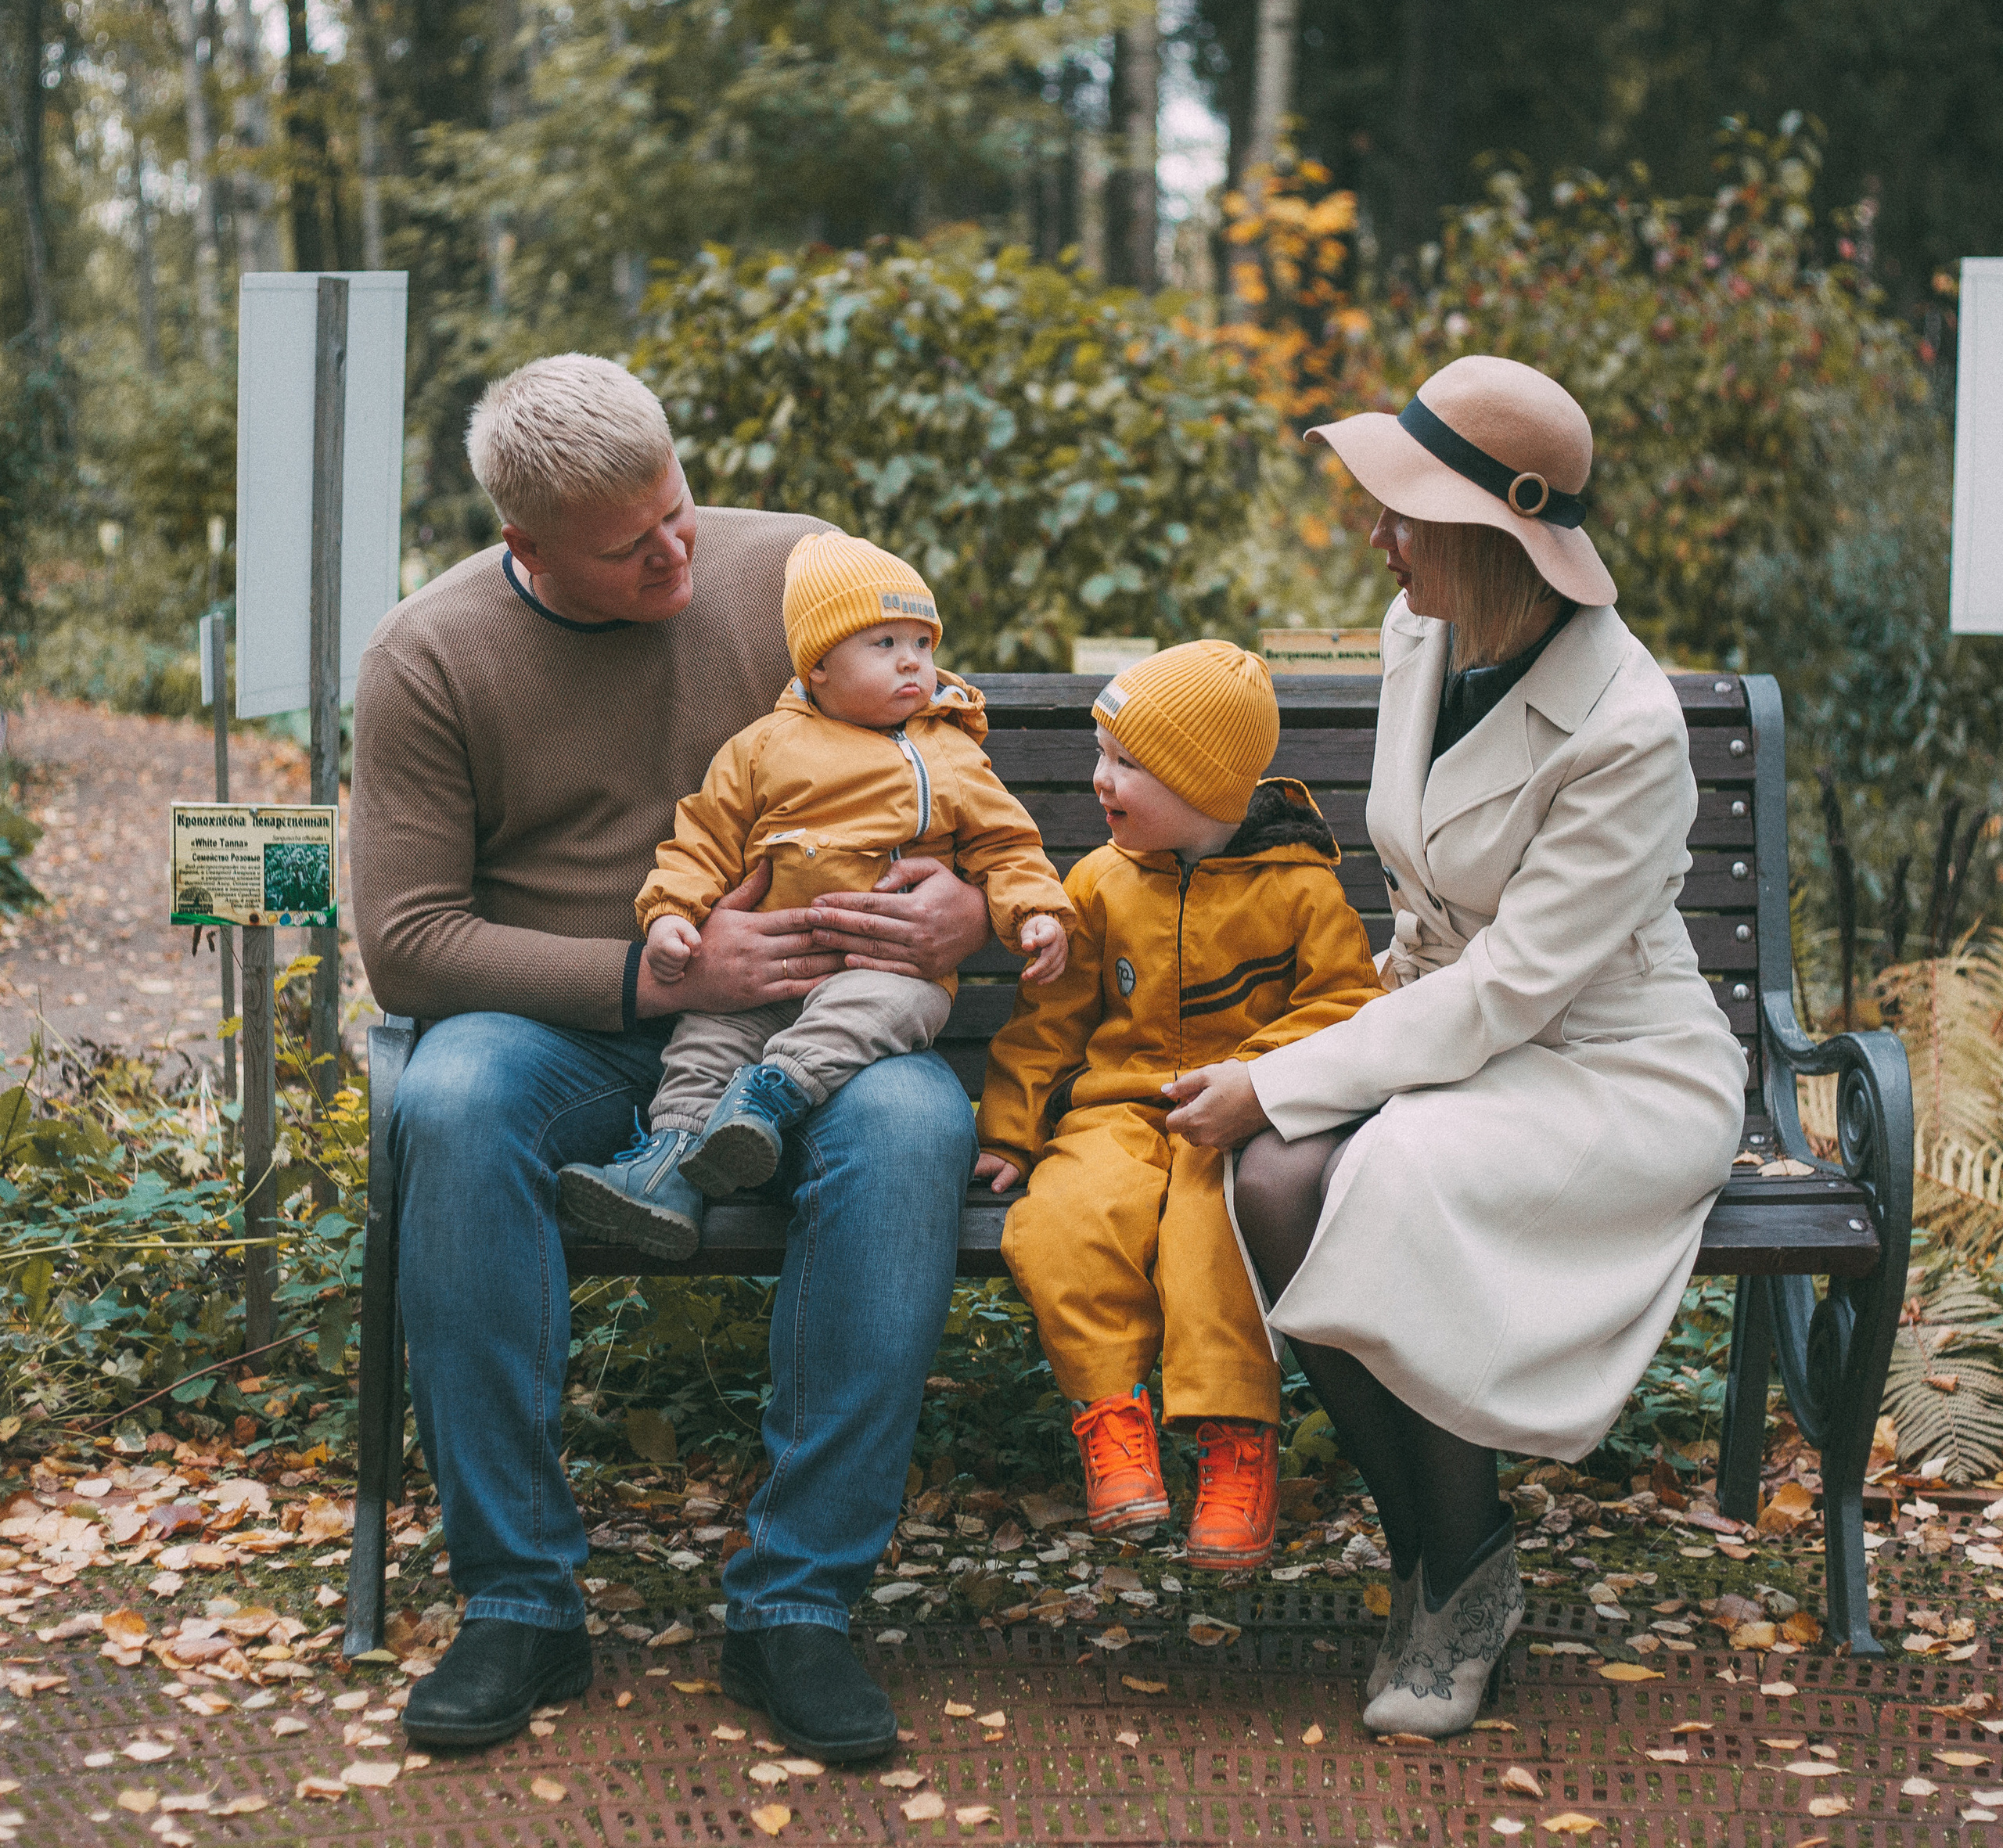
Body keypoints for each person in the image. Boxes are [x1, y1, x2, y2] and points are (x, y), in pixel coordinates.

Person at [351, 354, 992, 1762]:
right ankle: (520, 1603)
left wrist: (973, 901)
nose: (678, 552)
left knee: (913, 1129)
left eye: (680, 507)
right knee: (448, 1099)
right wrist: (643, 977)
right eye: (631, 545)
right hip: (568, 1033)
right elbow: (406, 942)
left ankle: (798, 1609)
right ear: (524, 546)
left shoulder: (794, 569)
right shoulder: (430, 654)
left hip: (807, 1023)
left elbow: (946, 736)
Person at [1163, 354, 1746, 1737]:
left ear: (1493, 539)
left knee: (1376, 1172)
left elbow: (1515, 991)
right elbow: (1431, 909)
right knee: (1276, 1181)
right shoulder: (1419, 627)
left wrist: (1276, 1079)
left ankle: (1458, 1579)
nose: (1379, 538)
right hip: (1442, 1018)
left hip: (1604, 1062)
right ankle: (1438, 1547)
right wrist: (1299, 1063)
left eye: (1404, 514)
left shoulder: (1629, 726)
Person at [974, 642, 1383, 1570]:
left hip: (1238, 1120)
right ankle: (1111, 1416)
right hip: (1115, 1114)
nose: (1100, 779)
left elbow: (1347, 1005)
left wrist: (1258, 1072)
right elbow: (1050, 1022)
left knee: (1216, 1241)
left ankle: (1238, 1445)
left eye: (1128, 763)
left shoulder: (1300, 891)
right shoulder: (1102, 881)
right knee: (1062, 1223)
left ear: (1204, 784)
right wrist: (1009, 1127)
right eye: (1101, 753)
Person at [558, 530, 1072, 1249]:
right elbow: (702, 835)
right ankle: (667, 1167)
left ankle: (770, 1097)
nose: (912, 664)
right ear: (819, 667)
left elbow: (1007, 846)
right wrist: (673, 913)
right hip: (759, 980)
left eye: (922, 645)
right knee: (702, 1043)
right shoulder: (763, 746)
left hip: (877, 972)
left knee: (899, 1002)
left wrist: (1036, 912)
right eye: (884, 644)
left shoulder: (946, 752)